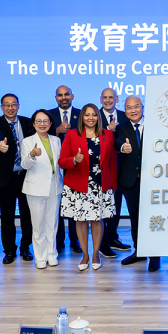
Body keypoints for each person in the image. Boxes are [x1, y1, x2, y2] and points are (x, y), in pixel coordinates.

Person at [58, 104, 117, 271]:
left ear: (98, 117)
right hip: (79, 186)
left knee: (98, 220)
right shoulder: (71, 135)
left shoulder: (107, 135)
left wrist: (112, 185)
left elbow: (112, 162)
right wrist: (74, 160)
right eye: (87, 115)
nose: (90, 118)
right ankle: (85, 255)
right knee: (81, 220)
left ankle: (96, 253)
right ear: (82, 117)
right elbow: (62, 161)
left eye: (94, 115)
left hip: (100, 185)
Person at [116, 96, 161, 272]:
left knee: (153, 219)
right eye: (128, 107)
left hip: (153, 180)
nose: (133, 110)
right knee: (135, 218)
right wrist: (122, 148)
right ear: (125, 110)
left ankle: (155, 255)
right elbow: (117, 142)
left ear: (142, 107)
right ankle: (140, 251)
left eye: (136, 106)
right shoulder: (121, 128)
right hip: (130, 181)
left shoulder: (155, 126)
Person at [0, 93, 33, 265]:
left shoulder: (28, 122)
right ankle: (9, 251)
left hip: (26, 176)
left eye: (13, 104)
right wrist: (1, 144)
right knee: (7, 216)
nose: (10, 108)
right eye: (6, 105)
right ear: (2, 107)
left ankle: (25, 248)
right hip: (6, 177)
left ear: (18, 106)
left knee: (27, 215)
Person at [21, 110, 63, 269]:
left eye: (45, 121)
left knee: (52, 223)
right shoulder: (27, 141)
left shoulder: (56, 140)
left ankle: (52, 255)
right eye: (38, 121)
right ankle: (40, 257)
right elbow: (24, 165)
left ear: (51, 123)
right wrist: (32, 155)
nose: (42, 124)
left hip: (54, 185)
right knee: (38, 225)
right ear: (33, 124)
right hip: (35, 187)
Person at [48, 85, 81, 254]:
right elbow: (39, 133)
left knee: (75, 205)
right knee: (57, 205)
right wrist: (57, 130)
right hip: (53, 168)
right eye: (60, 95)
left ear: (72, 96)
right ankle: (59, 240)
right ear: (56, 98)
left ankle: (75, 240)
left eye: (66, 94)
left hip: (75, 166)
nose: (64, 97)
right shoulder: (48, 115)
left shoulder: (82, 114)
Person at [99, 87, 130, 258]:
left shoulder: (126, 115)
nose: (108, 100)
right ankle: (103, 244)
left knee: (116, 206)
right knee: (105, 207)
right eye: (105, 97)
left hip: (122, 168)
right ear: (100, 99)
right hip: (104, 169)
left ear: (117, 99)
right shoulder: (94, 117)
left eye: (111, 97)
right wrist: (107, 132)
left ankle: (113, 237)